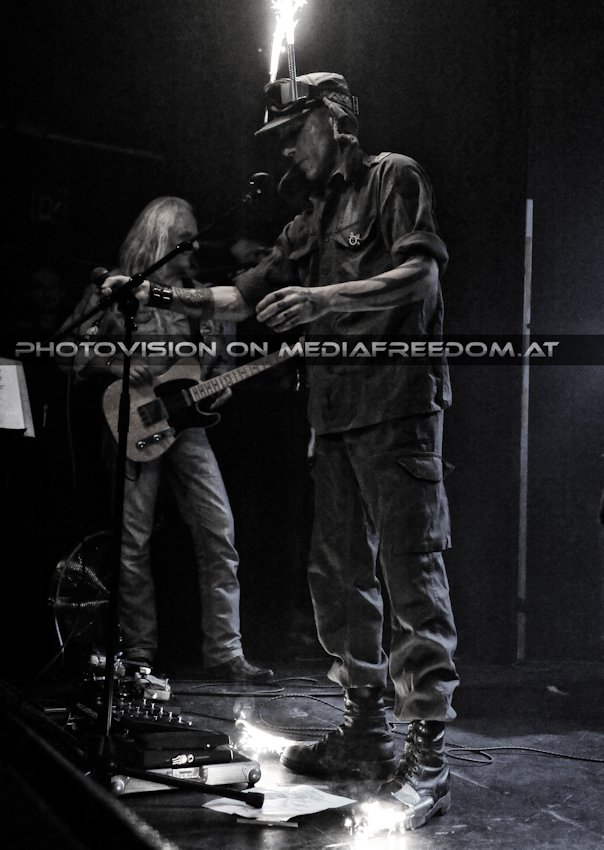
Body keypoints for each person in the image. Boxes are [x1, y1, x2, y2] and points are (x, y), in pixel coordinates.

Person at [103, 74, 459, 828]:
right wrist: (157, 296)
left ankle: (427, 756)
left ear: (332, 120)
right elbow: (241, 294)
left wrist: (324, 300)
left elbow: (422, 275)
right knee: (339, 580)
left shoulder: (392, 177)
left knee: (410, 575)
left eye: (295, 133)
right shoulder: (311, 216)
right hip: (333, 419)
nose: (287, 151)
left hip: (396, 409)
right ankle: (366, 735)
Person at [69, 196, 273, 686]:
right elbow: (71, 354)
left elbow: (222, 362)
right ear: (161, 238)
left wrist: (221, 383)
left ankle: (226, 651)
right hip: (133, 421)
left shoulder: (203, 299)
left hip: (189, 428)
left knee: (218, 530)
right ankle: (138, 651)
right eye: (186, 237)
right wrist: (116, 364)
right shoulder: (115, 290)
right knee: (132, 540)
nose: (195, 246)